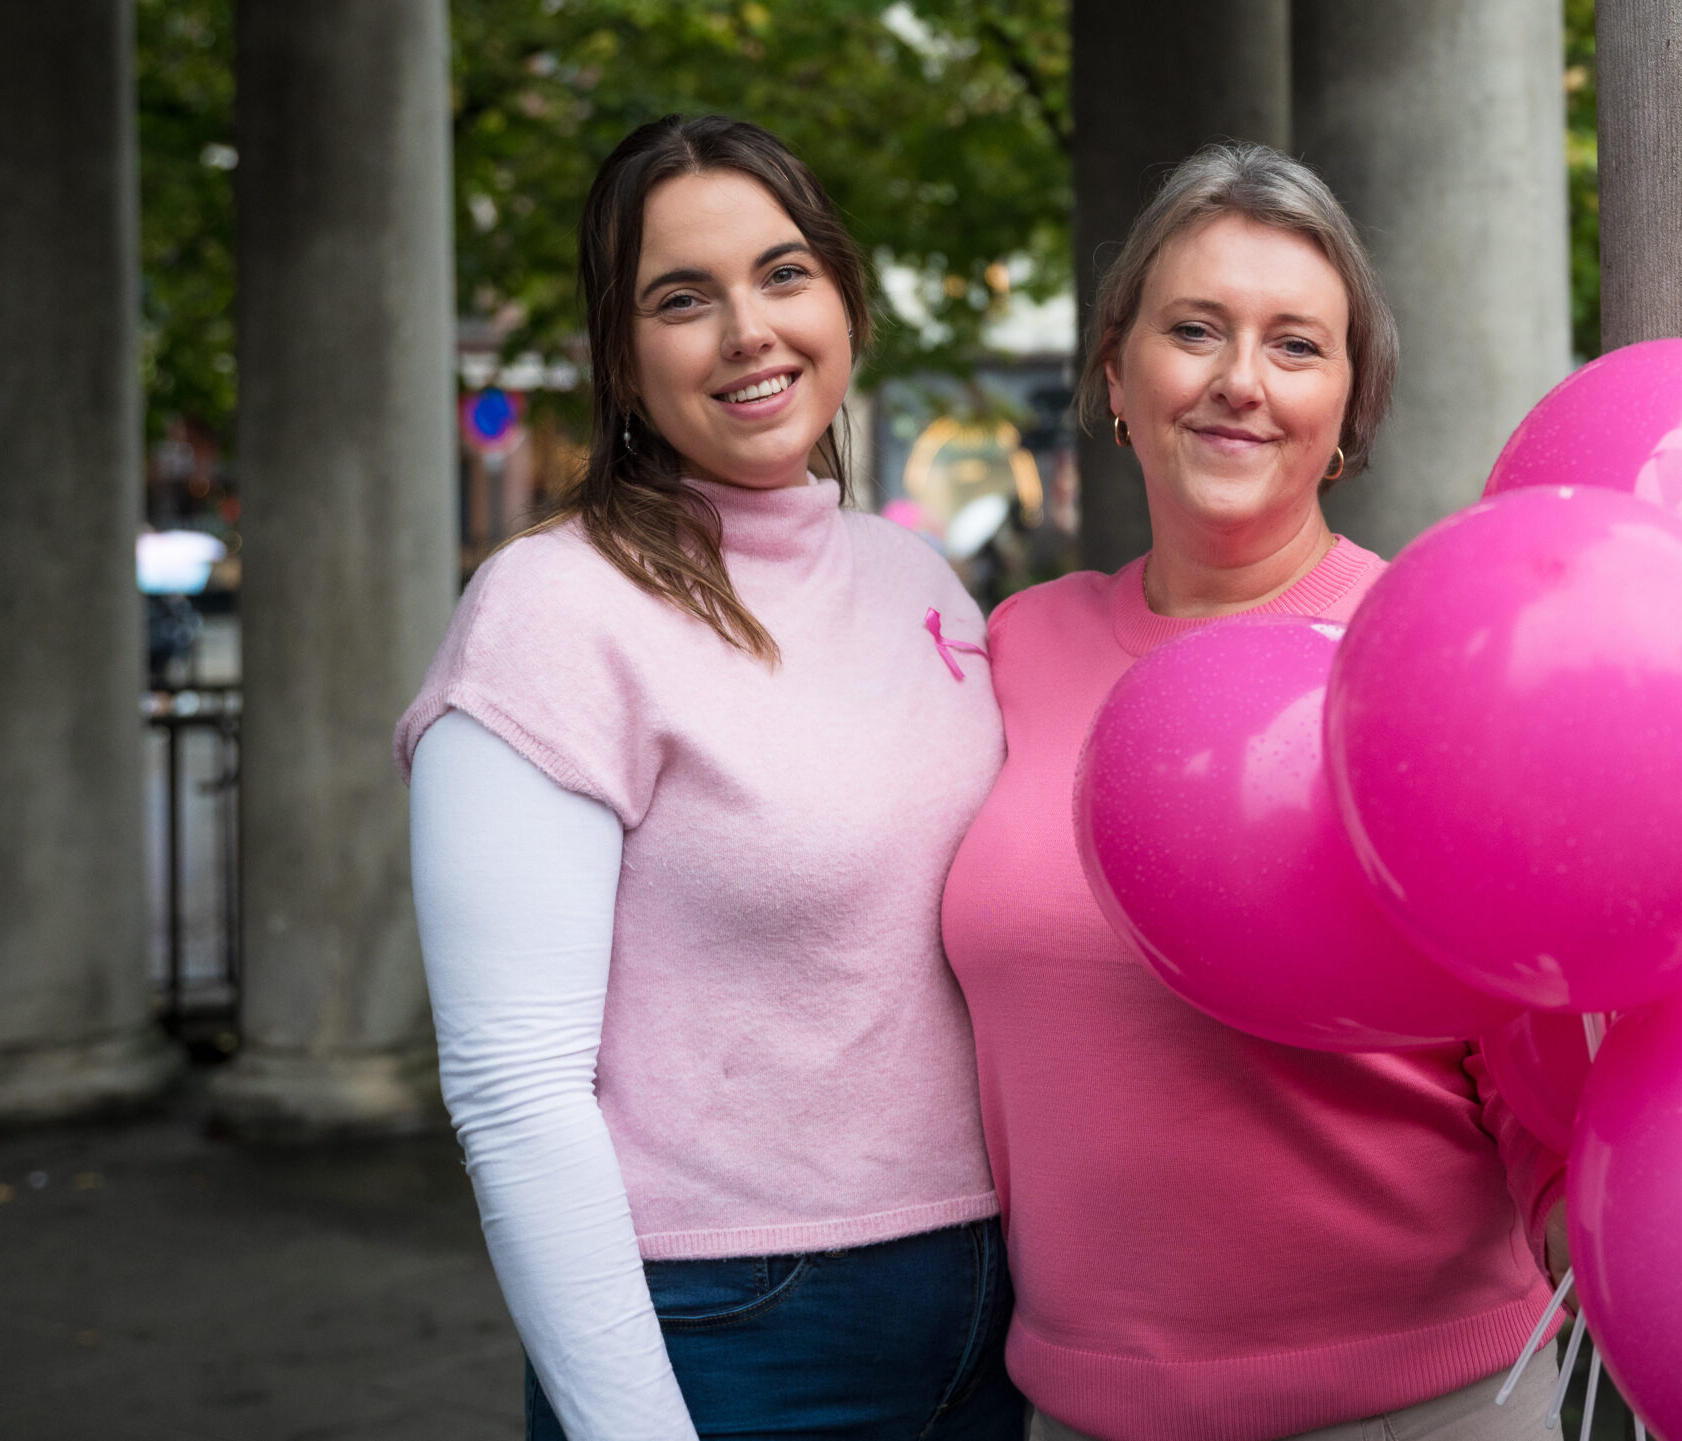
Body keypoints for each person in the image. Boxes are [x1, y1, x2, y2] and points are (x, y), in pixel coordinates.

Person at [396, 115, 1022, 1441]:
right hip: (734, 1328)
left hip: (996, 1303)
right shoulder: (553, 610)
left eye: (784, 272)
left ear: (845, 298)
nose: (751, 330)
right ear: (622, 360)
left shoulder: (923, 582)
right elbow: (515, 1101)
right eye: (684, 298)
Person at [941, 143, 1570, 1441]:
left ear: (1349, 407)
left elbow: (1548, 1060)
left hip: (1415, 1403)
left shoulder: (1433, 660)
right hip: (1077, 1404)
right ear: (1115, 372)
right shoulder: (1011, 649)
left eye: (1296, 345)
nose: (1240, 381)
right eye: (1195, 330)